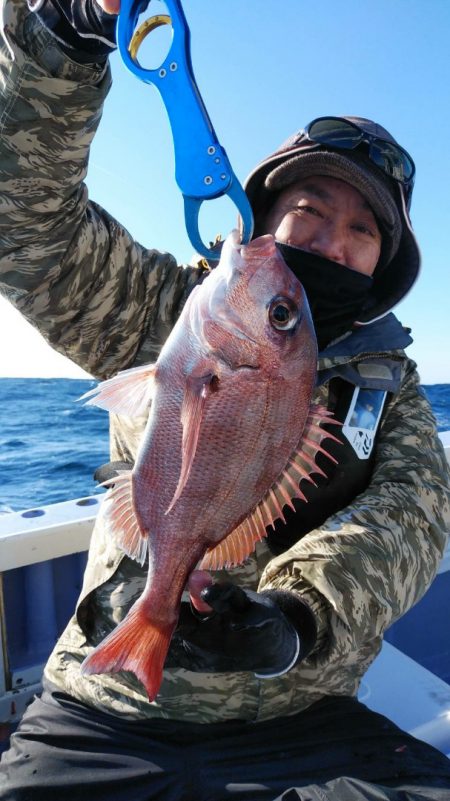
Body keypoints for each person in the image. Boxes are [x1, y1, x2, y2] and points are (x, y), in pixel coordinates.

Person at [0, 0, 449, 799]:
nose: (331, 241)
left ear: (383, 261)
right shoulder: (163, 308)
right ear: (263, 217)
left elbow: (414, 517)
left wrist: (293, 617)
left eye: (362, 230)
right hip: (107, 709)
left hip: (302, 715)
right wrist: (61, 39)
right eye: (310, 211)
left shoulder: (393, 388)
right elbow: (24, 225)